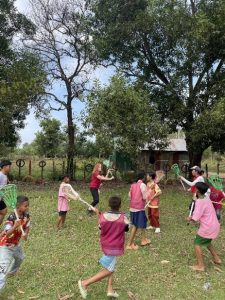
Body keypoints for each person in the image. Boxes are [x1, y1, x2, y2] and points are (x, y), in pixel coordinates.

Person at [78, 196, 129, 299]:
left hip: (106, 245)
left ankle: (110, 289)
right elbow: (126, 229)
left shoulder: (103, 216)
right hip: (116, 246)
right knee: (110, 269)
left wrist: (98, 214)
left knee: (111, 265)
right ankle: (85, 283)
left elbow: (100, 227)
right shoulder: (123, 217)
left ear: (109, 205)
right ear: (120, 206)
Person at [187, 182, 221, 272]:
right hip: (214, 225)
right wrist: (195, 199)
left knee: (197, 243)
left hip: (208, 227)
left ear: (197, 190)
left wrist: (190, 218)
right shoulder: (206, 198)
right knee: (207, 242)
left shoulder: (200, 202)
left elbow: (195, 218)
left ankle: (201, 266)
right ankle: (217, 258)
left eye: (195, 189)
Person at [0, 195, 30, 290]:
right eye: (25, 205)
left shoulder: (26, 216)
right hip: (6, 246)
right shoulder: (11, 217)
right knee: (3, 269)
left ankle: (12, 272)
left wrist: (25, 234)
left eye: (28, 205)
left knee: (20, 258)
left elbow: (27, 227)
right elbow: (7, 234)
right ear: (18, 207)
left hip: (16, 245)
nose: (27, 207)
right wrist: (14, 226)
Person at [126, 171, 150, 250]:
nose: (146, 177)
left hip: (132, 208)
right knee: (135, 226)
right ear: (143, 177)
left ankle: (144, 240)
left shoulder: (133, 185)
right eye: (146, 176)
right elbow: (144, 196)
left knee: (142, 223)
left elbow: (129, 195)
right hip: (139, 208)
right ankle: (129, 244)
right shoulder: (142, 185)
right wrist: (149, 191)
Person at [0, 160, 12, 225]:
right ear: (4, 167)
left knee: (3, 211)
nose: (10, 168)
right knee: (3, 211)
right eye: (9, 166)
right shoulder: (0, 175)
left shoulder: (5, 175)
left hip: (1, 198)